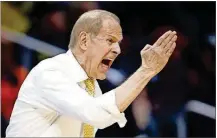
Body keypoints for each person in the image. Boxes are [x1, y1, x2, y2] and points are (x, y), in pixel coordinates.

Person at [6, 10, 177, 137]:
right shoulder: (51, 72)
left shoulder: (91, 87)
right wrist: (146, 71)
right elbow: (97, 114)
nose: (117, 50)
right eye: (110, 41)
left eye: (118, 43)